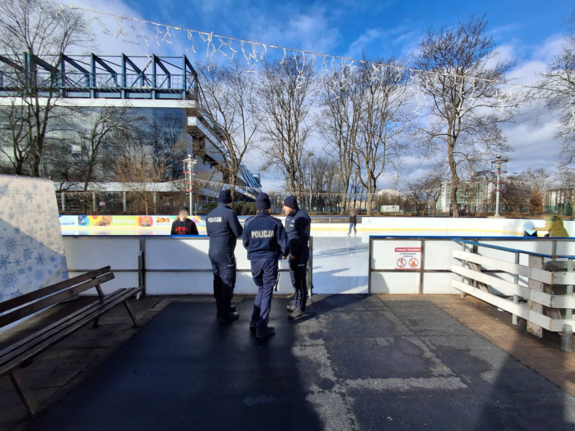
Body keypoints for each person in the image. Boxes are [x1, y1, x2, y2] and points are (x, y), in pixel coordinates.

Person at [242, 192, 289, 338]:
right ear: (268, 207)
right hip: (269, 260)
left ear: (257, 207)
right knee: (267, 292)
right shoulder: (275, 222)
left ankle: (254, 321)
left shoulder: (249, 222)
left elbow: (245, 242)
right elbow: (284, 244)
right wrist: (283, 253)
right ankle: (262, 328)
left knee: (261, 288)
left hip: (255, 261)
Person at [206, 190, 243, 324]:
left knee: (217, 280)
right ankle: (225, 314)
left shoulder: (210, 214)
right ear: (230, 201)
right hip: (225, 253)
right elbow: (238, 231)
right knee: (228, 281)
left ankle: (220, 308)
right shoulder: (229, 213)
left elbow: (209, 232)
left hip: (212, 252)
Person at [283, 195, 311, 320]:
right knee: (295, 281)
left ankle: (301, 309)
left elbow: (303, 238)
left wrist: (293, 252)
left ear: (291, 206)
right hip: (292, 254)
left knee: (300, 281)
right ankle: (297, 303)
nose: (283, 208)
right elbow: (287, 235)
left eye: (285, 206)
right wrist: (286, 251)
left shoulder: (303, 217)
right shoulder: (289, 216)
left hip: (299, 254)